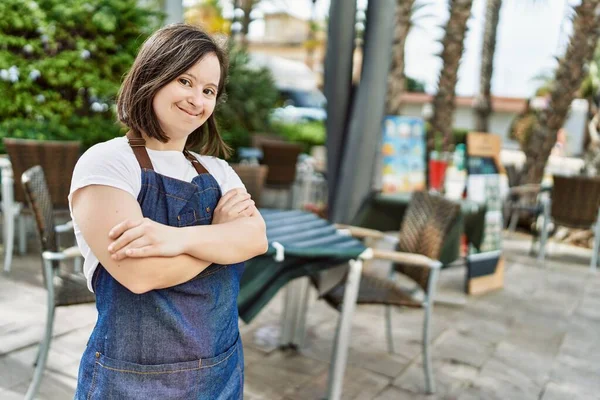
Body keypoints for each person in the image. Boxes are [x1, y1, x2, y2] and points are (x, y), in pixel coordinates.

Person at [69, 24, 268, 399]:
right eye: (185, 80)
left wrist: (174, 238)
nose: (198, 99)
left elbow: (256, 239)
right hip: (129, 381)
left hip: (220, 375)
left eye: (209, 90)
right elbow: (140, 274)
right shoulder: (107, 163)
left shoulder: (219, 170)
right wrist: (221, 239)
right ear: (153, 74)